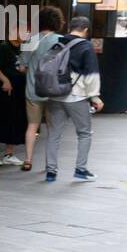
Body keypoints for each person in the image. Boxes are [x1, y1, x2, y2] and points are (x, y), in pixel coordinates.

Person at [42, 16, 103, 182]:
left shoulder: (58, 43)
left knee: (54, 134)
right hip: (76, 96)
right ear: (85, 30)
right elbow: (91, 74)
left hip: (55, 95)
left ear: (70, 27)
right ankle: (81, 169)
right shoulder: (85, 46)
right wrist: (95, 97)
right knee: (84, 133)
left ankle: (51, 172)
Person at [18, 6, 64, 171]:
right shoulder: (62, 40)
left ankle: (28, 160)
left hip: (33, 90)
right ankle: (50, 164)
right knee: (53, 128)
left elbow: (22, 67)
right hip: (54, 92)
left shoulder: (30, 40)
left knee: (32, 125)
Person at [0, 28, 27, 167]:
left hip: (19, 90)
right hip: (5, 90)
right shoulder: (4, 47)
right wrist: (5, 80)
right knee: (0, 118)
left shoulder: (20, 49)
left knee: (15, 119)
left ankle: (9, 153)